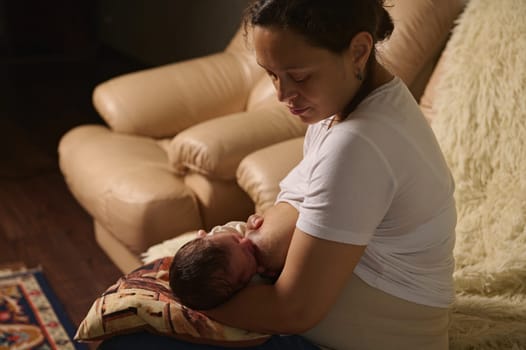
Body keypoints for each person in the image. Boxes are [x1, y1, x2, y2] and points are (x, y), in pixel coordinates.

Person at [101, 0, 457, 349]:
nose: (282, 94)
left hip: (371, 337)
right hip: (349, 313)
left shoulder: (360, 144)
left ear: (359, 51)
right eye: (271, 74)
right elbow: (298, 203)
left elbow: (294, 310)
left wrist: (187, 306)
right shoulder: (353, 106)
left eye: (299, 76)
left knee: (124, 336)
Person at [169, 221, 284, 310]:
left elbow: (247, 225)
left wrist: (253, 222)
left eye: (236, 239)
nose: (246, 242)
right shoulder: (253, 287)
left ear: (204, 235)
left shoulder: (220, 235)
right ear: (241, 283)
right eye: (249, 255)